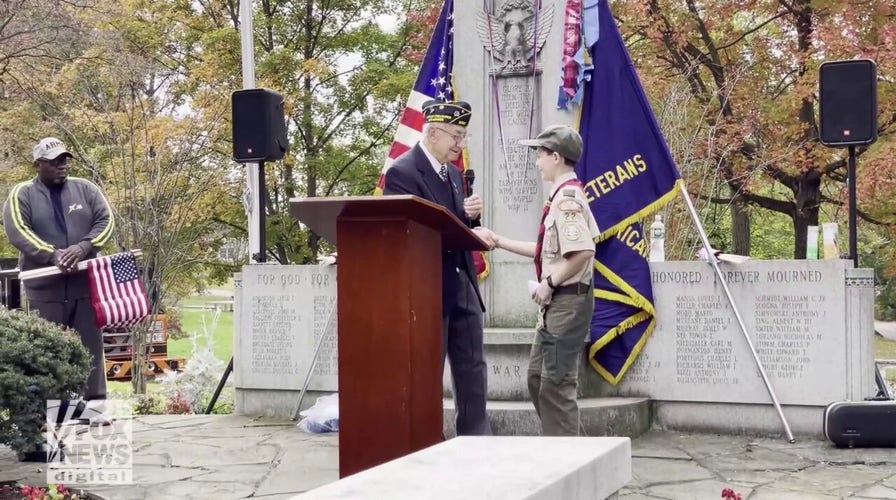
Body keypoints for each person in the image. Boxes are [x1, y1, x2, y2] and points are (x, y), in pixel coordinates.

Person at [478, 125, 600, 436]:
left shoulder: (567, 199)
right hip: (558, 303)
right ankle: (570, 445)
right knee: (537, 378)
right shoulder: (560, 196)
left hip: (568, 302)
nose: (537, 162)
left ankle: (568, 459)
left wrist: (549, 284)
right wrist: (500, 241)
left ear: (556, 157)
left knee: (555, 384)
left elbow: (583, 250)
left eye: (540, 154)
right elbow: (551, 253)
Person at [382, 100, 492, 436]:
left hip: (462, 283)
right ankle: (427, 439)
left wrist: (470, 218)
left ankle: (476, 437)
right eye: (455, 136)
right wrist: (460, 223)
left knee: (472, 366)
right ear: (432, 133)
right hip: (428, 289)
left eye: (463, 136)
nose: (460, 145)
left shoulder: (455, 174)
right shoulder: (402, 172)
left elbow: (452, 224)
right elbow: (405, 234)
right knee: (429, 369)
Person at [3, 137, 115, 402]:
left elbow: (106, 221)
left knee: (91, 347)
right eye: (54, 162)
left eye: (65, 160)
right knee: (45, 350)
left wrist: (84, 247)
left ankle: (95, 408)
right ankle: (50, 411)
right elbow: (17, 230)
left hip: (85, 285)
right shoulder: (22, 194)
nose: (62, 165)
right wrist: (52, 254)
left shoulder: (86, 189)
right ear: (38, 164)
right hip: (44, 288)